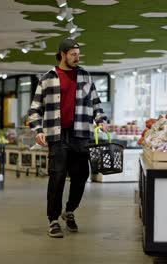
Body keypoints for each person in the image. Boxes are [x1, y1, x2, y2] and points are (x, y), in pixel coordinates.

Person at [27, 38, 108, 238]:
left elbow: (96, 103)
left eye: (78, 54)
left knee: (81, 176)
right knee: (57, 176)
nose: (77, 57)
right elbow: (34, 110)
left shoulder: (85, 76)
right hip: (56, 134)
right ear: (62, 54)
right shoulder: (47, 78)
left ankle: (69, 210)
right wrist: (38, 130)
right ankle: (53, 219)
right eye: (73, 54)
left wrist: (101, 120)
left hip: (81, 134)